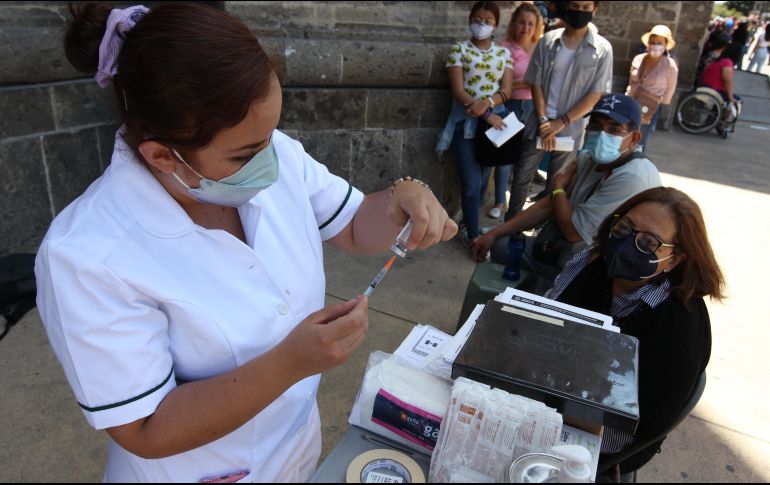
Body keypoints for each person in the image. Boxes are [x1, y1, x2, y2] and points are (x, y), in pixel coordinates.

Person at [36, 3, 457, 482]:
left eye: (270, 136)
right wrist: (290, 363)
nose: (269, 162)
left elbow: (356, 225)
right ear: (162, 156)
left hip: (295, 448)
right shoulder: (85, 255)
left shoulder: (273, 154)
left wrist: (404, 197)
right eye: (243, 155)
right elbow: (144, 428)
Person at [547, 187, 724, 473]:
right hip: (555, 382)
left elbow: (645, 422)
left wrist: (555, 410)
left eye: (648, 242)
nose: (629, 244)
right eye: (625, 228)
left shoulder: (679, 326)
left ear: (674, 259)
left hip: (613, 433)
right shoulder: (591, 263)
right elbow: (545, 312)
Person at [472, 94, 661, 287]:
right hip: (569, 250)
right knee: (500, 246)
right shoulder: (589, 157)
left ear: (634, 138)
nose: (601, 135)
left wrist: (558, 189)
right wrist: (494, 233)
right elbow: (547, 206)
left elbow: (573, 232)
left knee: (538, 284)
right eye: (596, 126)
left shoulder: (632, 177)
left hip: (603, 271)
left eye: (614, 129)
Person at [513, 0, 613, 207]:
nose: (580, 11)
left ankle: (543, 226)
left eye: (586, 8)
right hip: (539, 123)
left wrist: (561, 123)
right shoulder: (547, 41)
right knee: (521, 178)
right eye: (576, 6)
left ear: (595, 10)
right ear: (568, 6)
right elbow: (536, 83)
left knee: (557, 184)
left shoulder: (603, 49)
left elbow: (596, 93)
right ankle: (512, 222)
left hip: (571, 128)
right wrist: (544, 121)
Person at [436, 1, 514, 247]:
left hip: (494, 127)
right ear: (470, 20)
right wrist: (484, 113)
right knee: (471, 184)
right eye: (477, 19)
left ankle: (467, 223)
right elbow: (459, 91)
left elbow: (507, 90)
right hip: (467, 125)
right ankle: (474, 237)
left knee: (482, 182)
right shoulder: (458, 50)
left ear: (496, 25)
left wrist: (488, 103)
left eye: (488, 21)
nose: (482, 25)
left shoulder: (503, 54)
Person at [498, 3, 545, 221]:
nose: (526, 28)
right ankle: (499, 200)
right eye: (521, 22)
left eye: (530, 24)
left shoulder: (541, 48)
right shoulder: (504, 47)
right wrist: (525, 83)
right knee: (505, 155)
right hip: (511, 106)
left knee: (527, 159)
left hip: (535, 107)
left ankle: (516, 207)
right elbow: (500, 84)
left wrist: (530, 83)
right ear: (514, 23)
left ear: (537, 26)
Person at [625, 25, 678, 151]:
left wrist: (661, 101)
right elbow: (631, 80)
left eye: (659, 43)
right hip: (631, 102)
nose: (655, 45)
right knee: (625, 135)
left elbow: (670, 88)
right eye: (652, 42)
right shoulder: (639, 59)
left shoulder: (670, 65)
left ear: (665, 45)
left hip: (650, 107)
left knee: (639, 140)